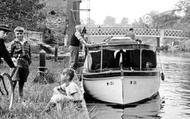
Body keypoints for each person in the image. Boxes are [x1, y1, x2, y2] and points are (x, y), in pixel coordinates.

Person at [10, 26, 31, 102]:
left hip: (25, 64)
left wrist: (28, 62)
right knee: (14, 81)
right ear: (15, 34)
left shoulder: (27, 43)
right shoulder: (13, 43)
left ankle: (20, 98)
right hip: (16, 64)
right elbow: (9, 54)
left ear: (23, 34)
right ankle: (11, 98)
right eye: (17, 33)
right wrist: (13, 60)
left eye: (21, 33)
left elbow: (29, 54)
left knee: (22, 81)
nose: (19, 35)